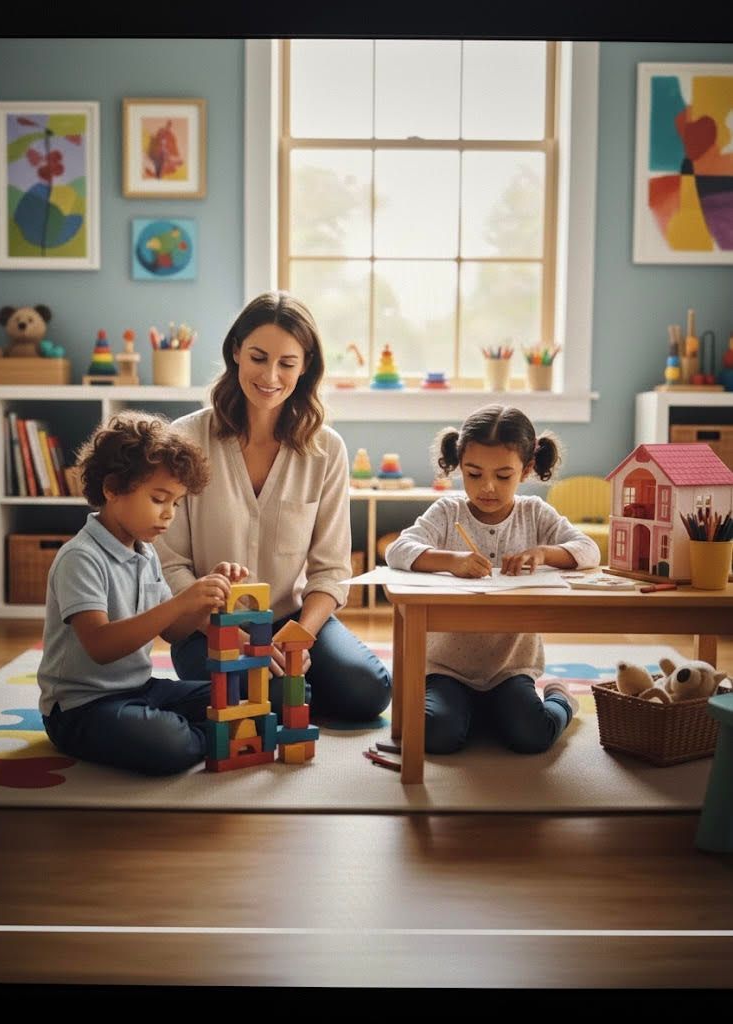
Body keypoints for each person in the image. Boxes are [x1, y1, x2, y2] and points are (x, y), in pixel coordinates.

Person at [155, 290, 391, 722]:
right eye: (259, 358)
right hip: (206, 626)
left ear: (305, 368)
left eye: (287, 363)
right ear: (236, 353)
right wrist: (235, 640)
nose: (270, 376)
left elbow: (331, 569)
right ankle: (281, 697)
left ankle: (286, 693)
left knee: (369, 692)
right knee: (259, 697)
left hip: (293, 619)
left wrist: (298, 636)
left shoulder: (327, 450)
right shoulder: (186, 438)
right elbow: (170, 565)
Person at [38, 411, 249, 776]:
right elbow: (101, 646)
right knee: (168, 742)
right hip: (81, 708)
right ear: (112, 488)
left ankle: (215, 729)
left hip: (139, 689)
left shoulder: (145, 552)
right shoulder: (80, 557)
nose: (169, 514)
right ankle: (215, 736)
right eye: (158, 499)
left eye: (176, 503)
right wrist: (181, 601)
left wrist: (204, 601)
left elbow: (172, 632)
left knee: (237, 694)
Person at [385, 403, 601, 756]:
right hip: (446, 669)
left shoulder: (534, 513)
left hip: (510, 669)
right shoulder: (447, 511)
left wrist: (544, 553)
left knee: (533, 736)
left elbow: (589, 549)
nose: (487, 487)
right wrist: (451, 560)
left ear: (527, 469)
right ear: (458, 467)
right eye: (473, 474)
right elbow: (398, 550)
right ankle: (475, 714)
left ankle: (560, 697)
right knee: (434, 735)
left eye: (503, 476)